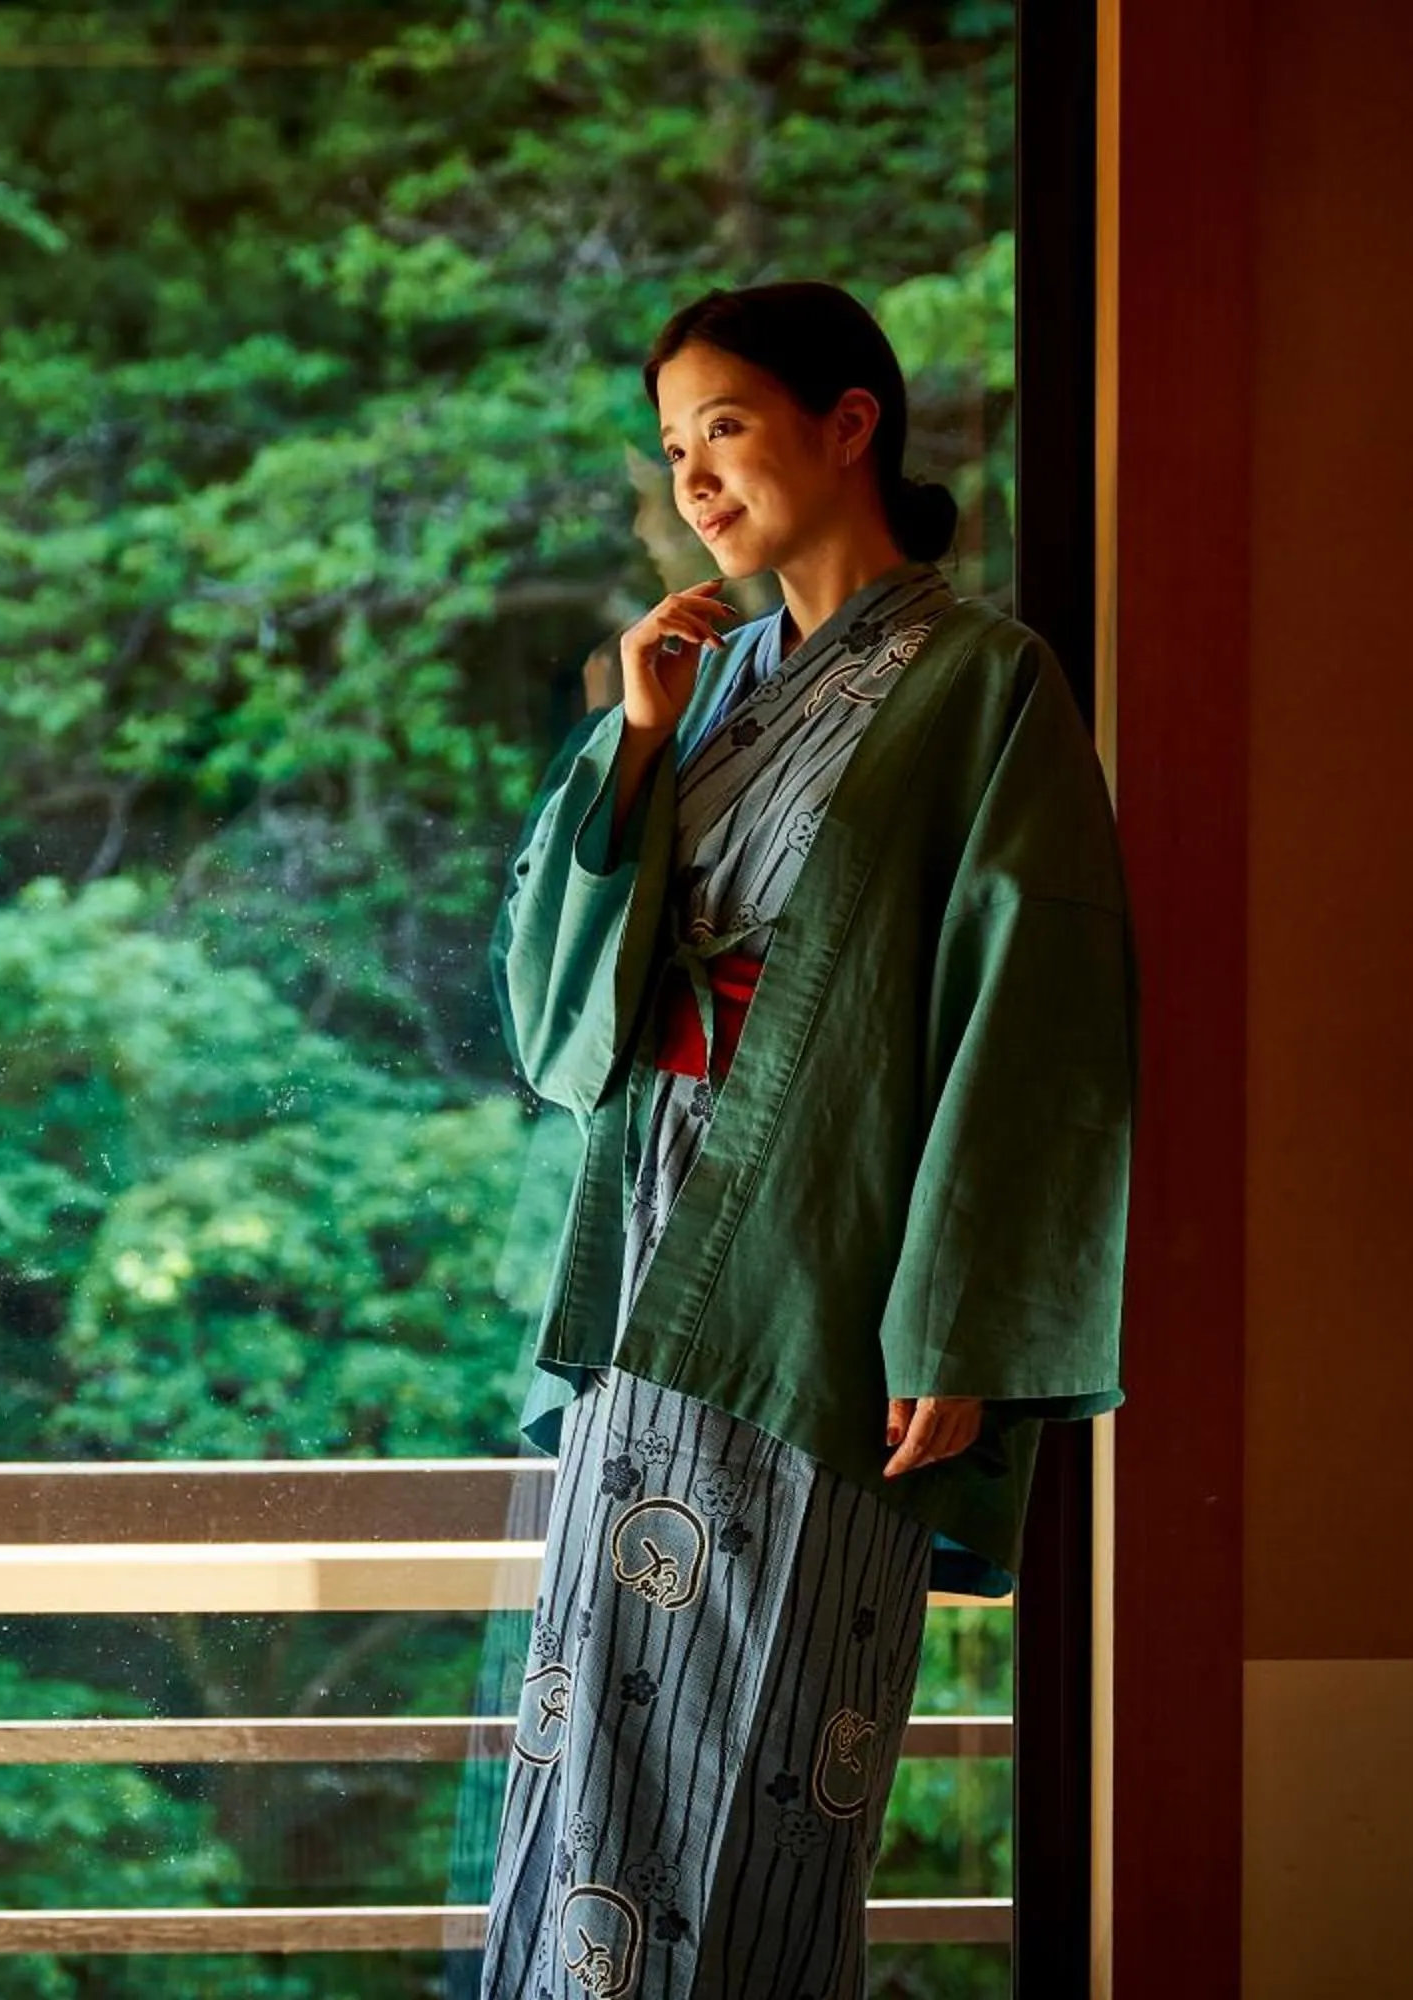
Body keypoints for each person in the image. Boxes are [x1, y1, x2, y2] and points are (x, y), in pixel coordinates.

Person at [477, 280, 1136, 1999]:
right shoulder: (696, 689)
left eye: (728, 426)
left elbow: (1032, 1021)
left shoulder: (984, 680)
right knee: (592, 1734)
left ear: (851, 426)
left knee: (777, 1759)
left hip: (830, 1265)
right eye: (673, 444)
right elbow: (558, 1015)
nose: (693, 476)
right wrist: (636, 739)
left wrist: (958, 1322)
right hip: (655, 1236)